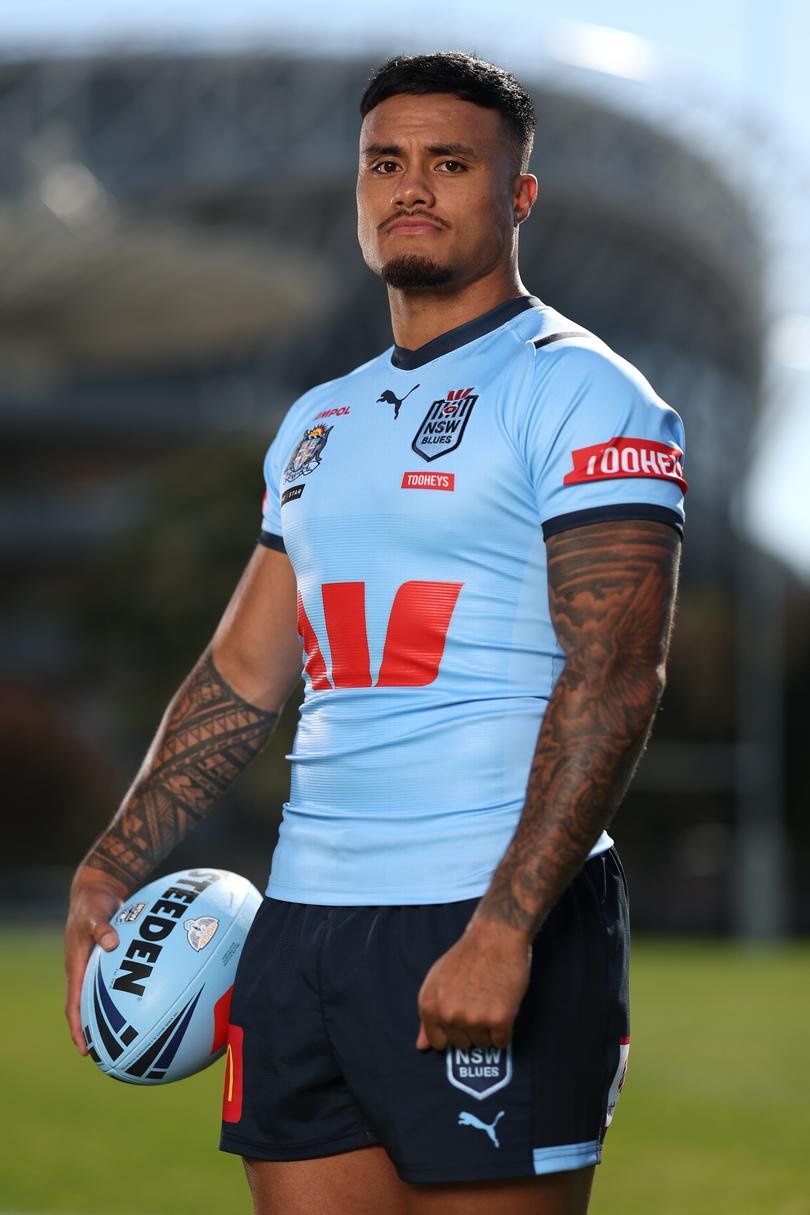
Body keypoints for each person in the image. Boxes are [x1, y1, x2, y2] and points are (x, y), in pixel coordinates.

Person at [65, 52, 685, 1215]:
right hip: (302, 927)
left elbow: (617, 676)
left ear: (519, 195)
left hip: (488, 912)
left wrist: (507, 928)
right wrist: (112, 856)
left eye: (451, 163)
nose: (412, 188)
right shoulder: (316, 421)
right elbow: (248, 666)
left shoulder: (584, 390)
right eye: (385, 163)